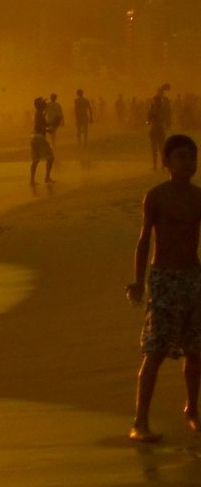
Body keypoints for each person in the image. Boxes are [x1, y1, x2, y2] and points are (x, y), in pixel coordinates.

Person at [126, 134, 201, 443]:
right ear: (167, 162)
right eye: (181, 157)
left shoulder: (199, 197)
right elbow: (144, 240)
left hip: (193, 278)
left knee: (195, 351)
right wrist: (137, 281)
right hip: (164, 280)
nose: (188, 162)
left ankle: (192, 410)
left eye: (192, 157)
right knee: (155, 351)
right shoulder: (156, 196)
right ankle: (139, 421)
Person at [29, 97, 55, 187]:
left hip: (33, 137)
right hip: (40, 137)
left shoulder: (37, 113)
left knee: (35, 160)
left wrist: (48, 128)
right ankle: (47, 177)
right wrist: (51, 126)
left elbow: (41, 125)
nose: (45, 104)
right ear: (40, 105)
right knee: (50, 157)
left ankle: (32, 180)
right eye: (43, 103)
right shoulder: (40, 114)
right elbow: (43, 125)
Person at [151, 85, 175, 173]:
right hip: (154, 130)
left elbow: (164, 116)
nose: (155, 102)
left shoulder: (162, 109)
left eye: (156, 101)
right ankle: (155, 165)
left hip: (160, 129)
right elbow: (148, 118)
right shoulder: (152, 109)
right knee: (154, 148)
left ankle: (163, 164)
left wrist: (161, 90)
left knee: (161, 148)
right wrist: (148, 121)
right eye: (155, 101)